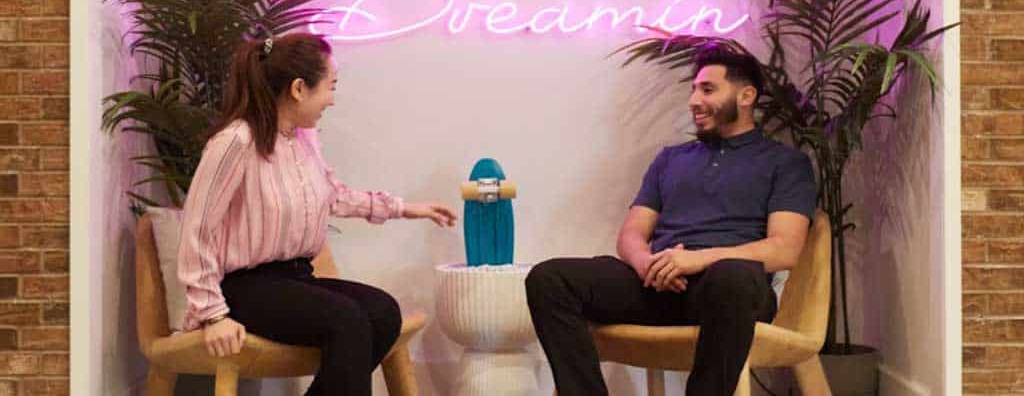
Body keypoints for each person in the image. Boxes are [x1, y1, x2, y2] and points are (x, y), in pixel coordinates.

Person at [525, 45, 817, 396]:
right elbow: (632, 234)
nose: (694, 100)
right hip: (659, 285)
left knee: (734, 276)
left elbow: (784, 250)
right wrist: (646, 263)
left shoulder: (785, 163)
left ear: (746, 95)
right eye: (693, 89)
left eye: (707, 89)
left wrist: (696, 259)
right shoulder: (671, 159)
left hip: (727, 292)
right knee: (550, 278)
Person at [178, 32, 456, 396]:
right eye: (330, 86)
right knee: (347, 321)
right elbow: (196, 228)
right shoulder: (236, 141)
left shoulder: (303, 141)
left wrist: (405, 209)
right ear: (298, 89)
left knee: (382, 313)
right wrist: (212, 314)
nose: (332, 100)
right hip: (245, 288)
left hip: (295, 279)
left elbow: (334, 197)